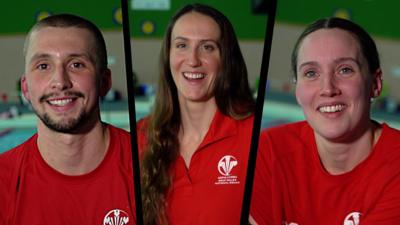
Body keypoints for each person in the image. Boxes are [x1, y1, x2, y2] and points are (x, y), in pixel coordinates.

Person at [250, 17, 400, 225]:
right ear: (297, 89)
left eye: (345, 70)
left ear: (375, 83)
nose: (328, 89)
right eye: (311, 73)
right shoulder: (268, 151)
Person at [0, 14, 136, 225]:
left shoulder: (150, 166)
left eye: (76, 65)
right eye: (44, 66)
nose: (60, 82)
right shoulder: (5, 181)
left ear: (104, 81)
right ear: (26, 87)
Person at [137, 3, 255, 225]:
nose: (192, 60)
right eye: (182, 45)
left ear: (226, 60)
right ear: (168, 56)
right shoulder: (142, 134)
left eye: (207, 47)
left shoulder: (253, 135)